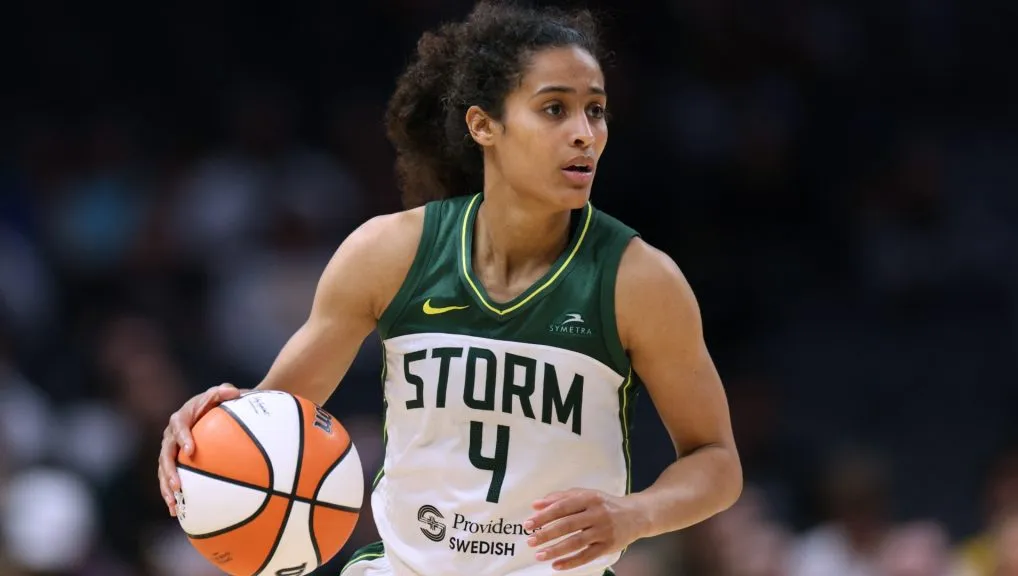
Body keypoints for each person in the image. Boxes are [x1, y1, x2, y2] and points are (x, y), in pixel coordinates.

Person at [156, 2, 743, 575]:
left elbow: (716, 461)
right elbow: (273, 420)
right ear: (483, 124)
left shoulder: (638, 279)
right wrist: (207, 434)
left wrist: (634, 514)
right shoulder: (390, 253)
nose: (584, 134)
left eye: (596, 110)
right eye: (554, 109)